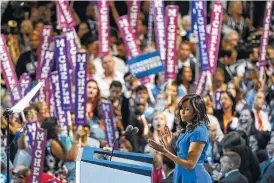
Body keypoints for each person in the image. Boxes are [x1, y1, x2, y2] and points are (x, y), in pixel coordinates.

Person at [148, 94, 211, 183]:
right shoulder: (186, 130)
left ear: (196, 112)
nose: (182, 112)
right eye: (182, 108)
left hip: (195, 178)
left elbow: (190, 164)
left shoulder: (200, 130)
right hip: (181, 174)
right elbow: (179, 156)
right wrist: (169, 145)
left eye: (187, 109)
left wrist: (164, 152)